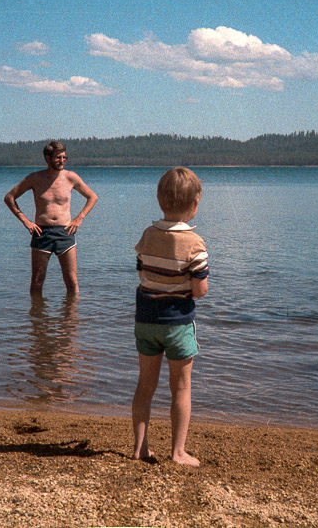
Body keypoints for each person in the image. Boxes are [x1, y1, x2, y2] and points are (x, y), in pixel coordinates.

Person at [131, 167, 209, 466]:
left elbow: (142, 273)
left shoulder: (147, 235)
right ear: (195, 205)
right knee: (181, 387)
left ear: (158, 200)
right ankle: (177, 452)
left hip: (146, 320)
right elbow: (200, 290)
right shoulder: (196, 244)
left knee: (145, 385)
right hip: (177, 323)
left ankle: (140, 447)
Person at [4, 141, 98, 296]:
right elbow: (9, 197)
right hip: (42, 232)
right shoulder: (35, 178)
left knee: (72, 281)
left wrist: (79, 218)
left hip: (65, 232)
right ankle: (37, 318)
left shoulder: (71, 177)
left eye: (64, 157)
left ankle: (71, 318)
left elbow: (92, 197)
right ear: (47, 158)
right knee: (37, 280)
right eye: (58, 157)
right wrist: (25, 221)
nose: (62, 160)